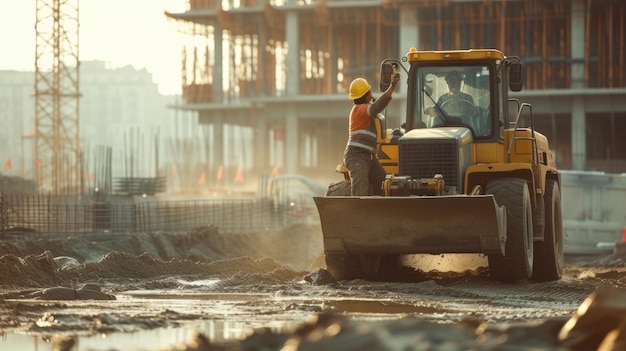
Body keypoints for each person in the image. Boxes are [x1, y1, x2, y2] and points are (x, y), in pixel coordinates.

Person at [343, 71, 400, 196]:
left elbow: (375, 107)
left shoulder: (364, 110)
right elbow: (377, 106)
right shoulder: (360, 109)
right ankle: (359, 212)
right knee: (360, 188)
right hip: (356, 156)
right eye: (369, 91)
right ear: (366, 94)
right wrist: (392, 87)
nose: (371, 93)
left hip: (368, 156)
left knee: (383, 183)